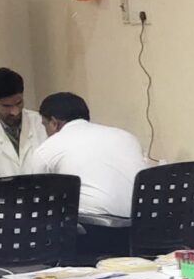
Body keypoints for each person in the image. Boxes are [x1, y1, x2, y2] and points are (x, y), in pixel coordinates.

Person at [23, 91, 151, 257]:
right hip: (145, 229)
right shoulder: (126, 136)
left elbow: (36, 200)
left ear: (54, 123)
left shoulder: (48, 148)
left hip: (95, 234)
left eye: (44, 125)